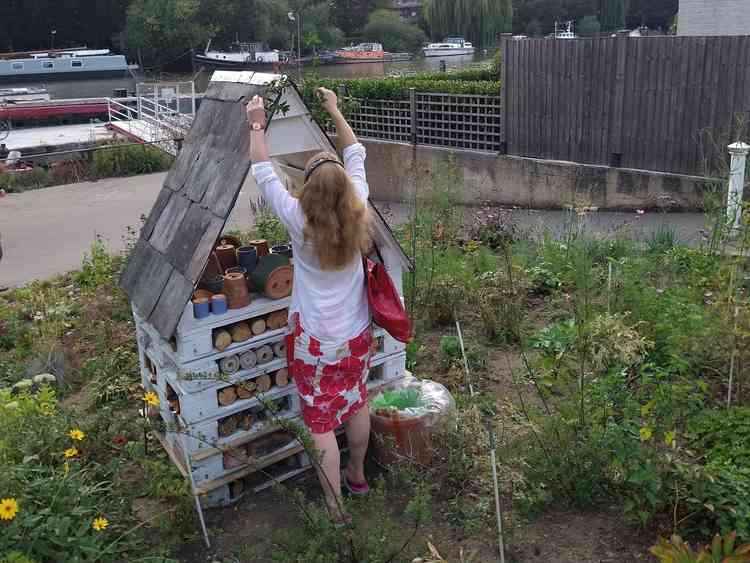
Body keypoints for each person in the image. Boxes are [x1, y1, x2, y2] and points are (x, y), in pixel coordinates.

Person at [247, 88, 372, 524]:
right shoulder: (358, 204)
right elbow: (355, 151)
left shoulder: (298, 219)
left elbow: (262, 169)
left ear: (308, 189)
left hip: (315, 342)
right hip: (357, 335)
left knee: (321, 426)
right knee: (356, 404)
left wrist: (257, 122)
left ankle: (336, 510)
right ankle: (357, 475)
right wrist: (335, 109)